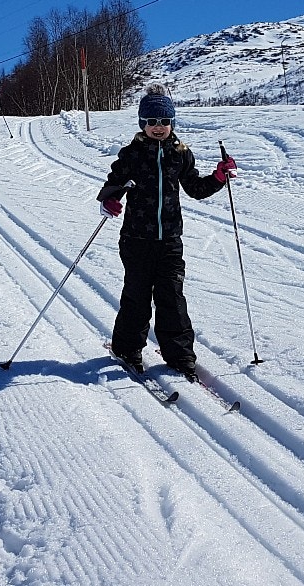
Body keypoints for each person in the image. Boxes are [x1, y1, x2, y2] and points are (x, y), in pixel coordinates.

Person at [97, 85, 236, 378]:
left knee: (172, 297)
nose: (158, 127)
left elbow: (195, 188)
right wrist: (110, 200)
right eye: (151, 122)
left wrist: (218, 177)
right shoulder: (131, 155)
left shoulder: (180, 154)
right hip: (136, 239)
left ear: (172, 122)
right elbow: (114, 184)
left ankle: (179, 354)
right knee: (137, 296)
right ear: (142, 123)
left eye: (164, 121)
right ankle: (127, 348)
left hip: (170, 239)